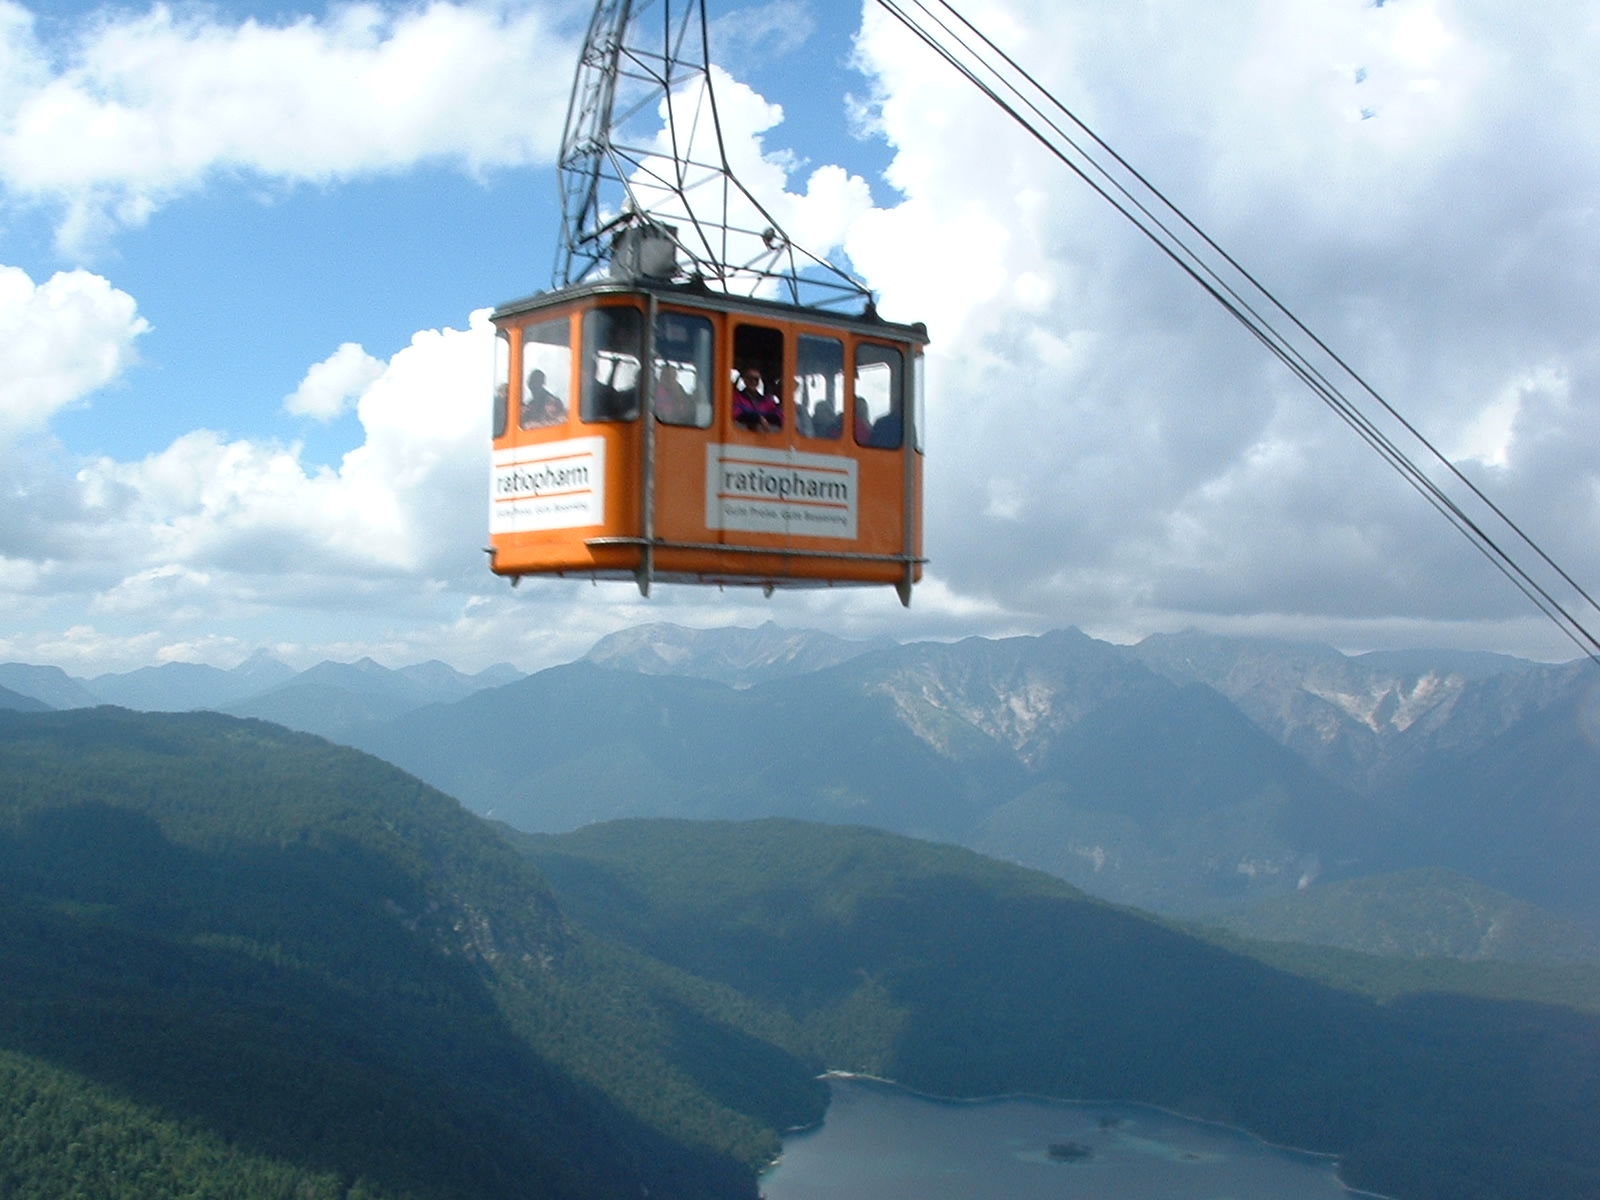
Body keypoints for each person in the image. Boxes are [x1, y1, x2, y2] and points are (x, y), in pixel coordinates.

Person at [733, 367, 782, 432]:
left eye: (756, 379)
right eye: (749, 378)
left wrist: (761, 418)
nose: (753, 381)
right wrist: (757, 418)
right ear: (744, 379)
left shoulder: (767, 401)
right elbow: (736, 412)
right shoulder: (735, 397)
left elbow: (779, 416)